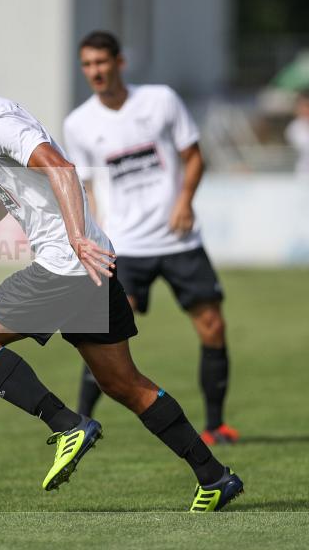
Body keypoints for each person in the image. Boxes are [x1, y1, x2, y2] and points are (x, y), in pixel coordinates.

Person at [0, 27, 242, 511]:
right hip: (91, 264)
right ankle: (214, 476)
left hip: (66, 262)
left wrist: (75, 235)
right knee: (123, 384)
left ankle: (66, 424)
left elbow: (62, 168)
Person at [62, 30, 238, 446]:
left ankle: (215, 426)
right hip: (127, 247)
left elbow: (194, 158)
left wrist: (185, 201)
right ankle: (79, 422)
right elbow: (86, 188)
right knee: (105, 337)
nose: (95, 71)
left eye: (101, 62)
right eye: (87, 64)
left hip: (179, 240)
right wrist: (92, 236)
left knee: (212, 326)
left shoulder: (160, 100)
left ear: (120, 63)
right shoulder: (78, 123)